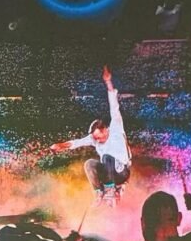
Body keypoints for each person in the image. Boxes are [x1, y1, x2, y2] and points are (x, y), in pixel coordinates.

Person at [50, 66, 131, 205]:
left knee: (106, 157)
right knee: (89, 164)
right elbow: (76, 142)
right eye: (95, 138)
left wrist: (108, 82)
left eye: (99, 137)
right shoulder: (94, 139)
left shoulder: (116, 127)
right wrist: (60, 146)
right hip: (108, 174)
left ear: (105, 129)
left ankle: (111, 190)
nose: (97, 140)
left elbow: (114, 105)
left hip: (122, 172)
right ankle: (99, 192)